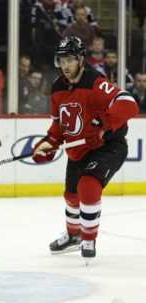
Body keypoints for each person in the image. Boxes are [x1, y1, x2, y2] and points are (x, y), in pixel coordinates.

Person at [32, 36, 138, 262]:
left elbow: (129, 103)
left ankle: (89, 237)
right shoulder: (58, 87)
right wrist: (48, 144)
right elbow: (59, 126)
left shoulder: (95, 82)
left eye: (70, 60)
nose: (65, 66)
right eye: (61, 61)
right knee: (71, 196)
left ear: (80, 59)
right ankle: (73, 236)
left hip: (108, 146)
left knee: (87, 186)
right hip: (78, 149)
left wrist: (102, 125)